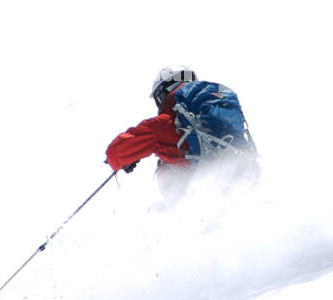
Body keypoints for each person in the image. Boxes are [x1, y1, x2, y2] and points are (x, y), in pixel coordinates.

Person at [105, 67, 258, 201]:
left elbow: (116, 152)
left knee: (165, 171)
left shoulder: (166, 124)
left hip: (198, 190)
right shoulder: (216, 115)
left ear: (164, 91)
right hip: (245, 175)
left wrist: (125, 158)